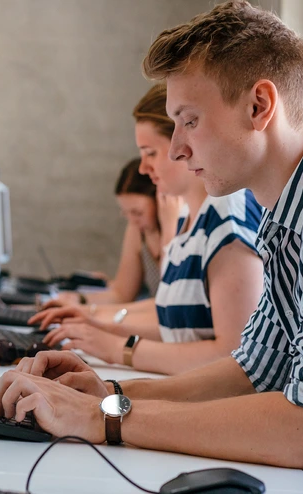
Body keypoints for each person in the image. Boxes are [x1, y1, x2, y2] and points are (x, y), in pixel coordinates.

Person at [0, 1, 303, 492]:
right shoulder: (290, 216)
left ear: (259, 106)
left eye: (189, 120)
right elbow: (253, 371)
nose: (175, 150)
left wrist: (103, 418)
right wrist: (110, 393)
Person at [32, 84, 264, 375]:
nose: (143, 168)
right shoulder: (189, 222)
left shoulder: (227, 219)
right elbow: (173, 319)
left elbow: (234, 356)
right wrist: (94, 321)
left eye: (150, 153)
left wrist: (118, 347)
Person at [54, 157, 179, 307]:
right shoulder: (138, 230)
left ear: (161, 201)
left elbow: (172, 296)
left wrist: (169, 230)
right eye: (126, 213)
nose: (132, 220)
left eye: (138, 212)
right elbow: (122, 294)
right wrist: (78, 299)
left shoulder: (179, 227)